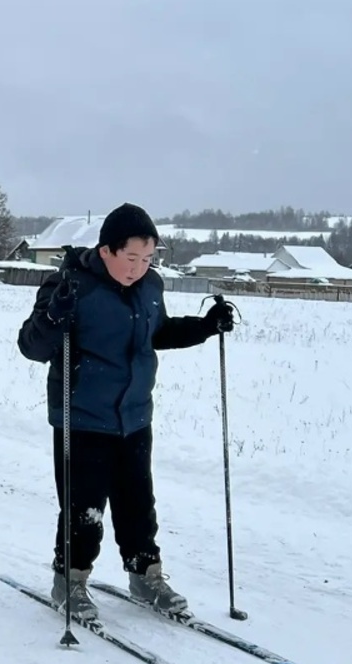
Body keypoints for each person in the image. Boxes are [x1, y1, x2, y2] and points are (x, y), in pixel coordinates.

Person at [16, 202, 234, 623]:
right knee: (85, 509)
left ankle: (144, 575)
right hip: (81, 419)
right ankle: (71, 581)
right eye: (131, 258)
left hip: (134, 418)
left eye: (148, 258)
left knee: (138, 504)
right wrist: (52, 315)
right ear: (105, 251)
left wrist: (206, 326)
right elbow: (32, 346)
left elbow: (159, 333)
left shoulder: (150, 288)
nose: (138, 267)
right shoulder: (69, 287)